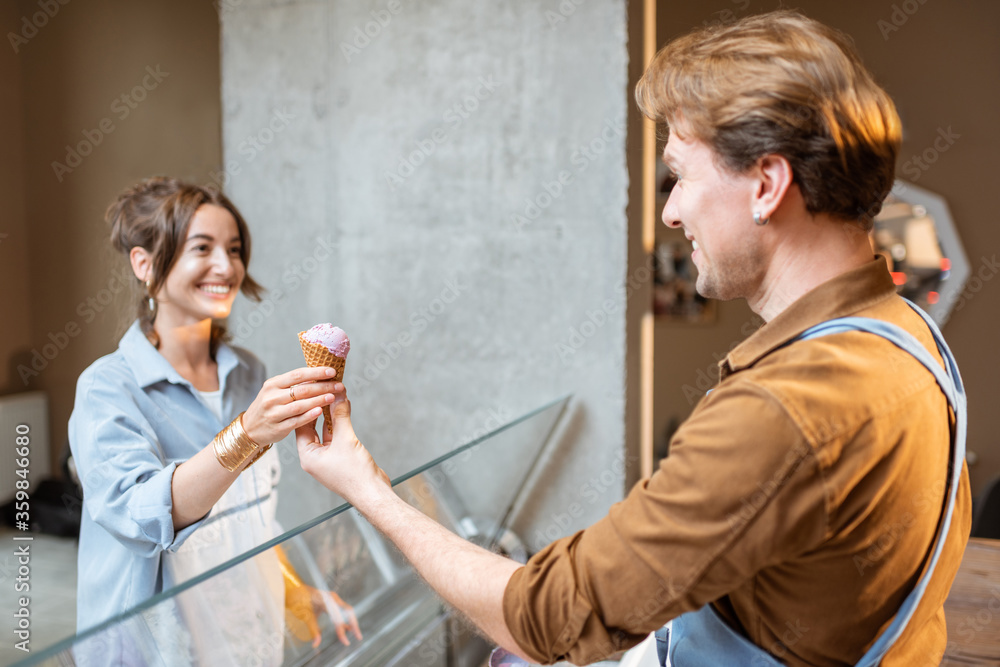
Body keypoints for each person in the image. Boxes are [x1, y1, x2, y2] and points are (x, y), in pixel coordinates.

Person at [296, 10, 971, 667]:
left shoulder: (783, 408)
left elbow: (544, 619)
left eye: (680, 176)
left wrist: (367, 486)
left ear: (767, 184)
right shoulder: (910, 337)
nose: (672, 211)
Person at [69, 177, 360, 664]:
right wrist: (245, 434)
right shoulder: (106, 388)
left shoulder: (249, 374)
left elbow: (251, 516)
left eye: (235, 249)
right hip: (152, 647)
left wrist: (291, 590)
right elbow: (143, 517)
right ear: (144, 264)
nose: (226, 267)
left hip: (240, 637)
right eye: (202, 248)